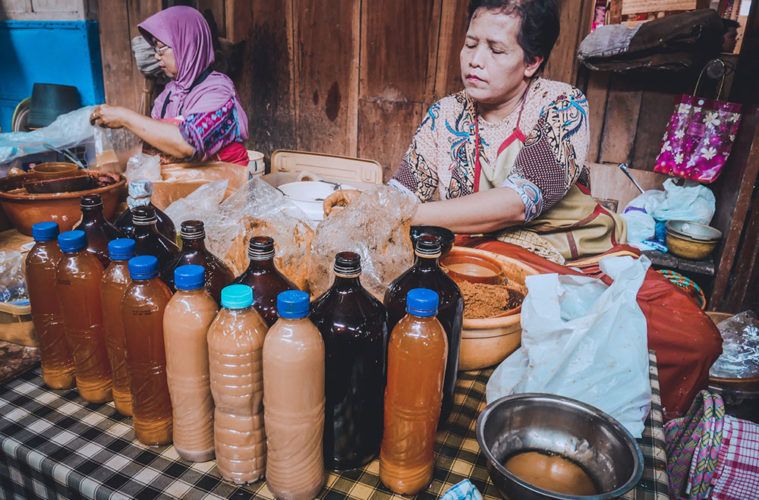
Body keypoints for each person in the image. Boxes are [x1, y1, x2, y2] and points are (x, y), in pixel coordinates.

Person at [390, 0, 625, 264]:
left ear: (531, 62)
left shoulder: (562, 105)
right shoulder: (444, 115)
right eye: (470, 44)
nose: (475, 61)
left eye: (496, 50)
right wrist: (366, 206)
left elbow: (518, 203)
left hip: (575, 261)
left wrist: (406, 214)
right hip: (482, 259)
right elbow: (401, 194)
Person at [89, 6, 249, 165]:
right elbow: (153, 149)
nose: (156, 57)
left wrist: (124, 117)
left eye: (161, 49)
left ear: (186, 45)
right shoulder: (168, 95)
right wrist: (116, 163)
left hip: (225, 187)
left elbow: (188, 144)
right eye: (155, 50)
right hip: (186, 186)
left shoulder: (217, 91)